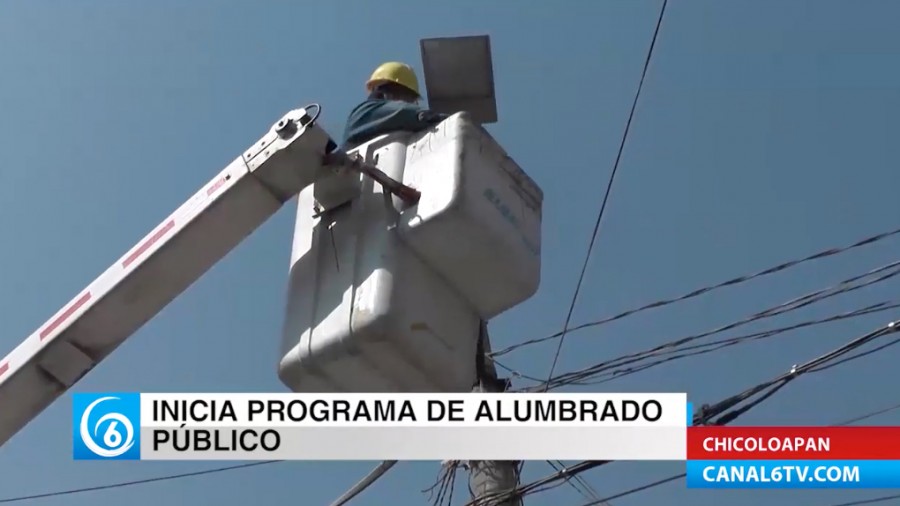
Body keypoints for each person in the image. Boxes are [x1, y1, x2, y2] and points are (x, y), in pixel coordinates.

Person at [340, 62, 448, 150]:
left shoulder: (390, 126)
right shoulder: (363, 113)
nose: (412, 104)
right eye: (409, 98)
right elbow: (403, 113)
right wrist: (438, 118)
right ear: (389, 93)